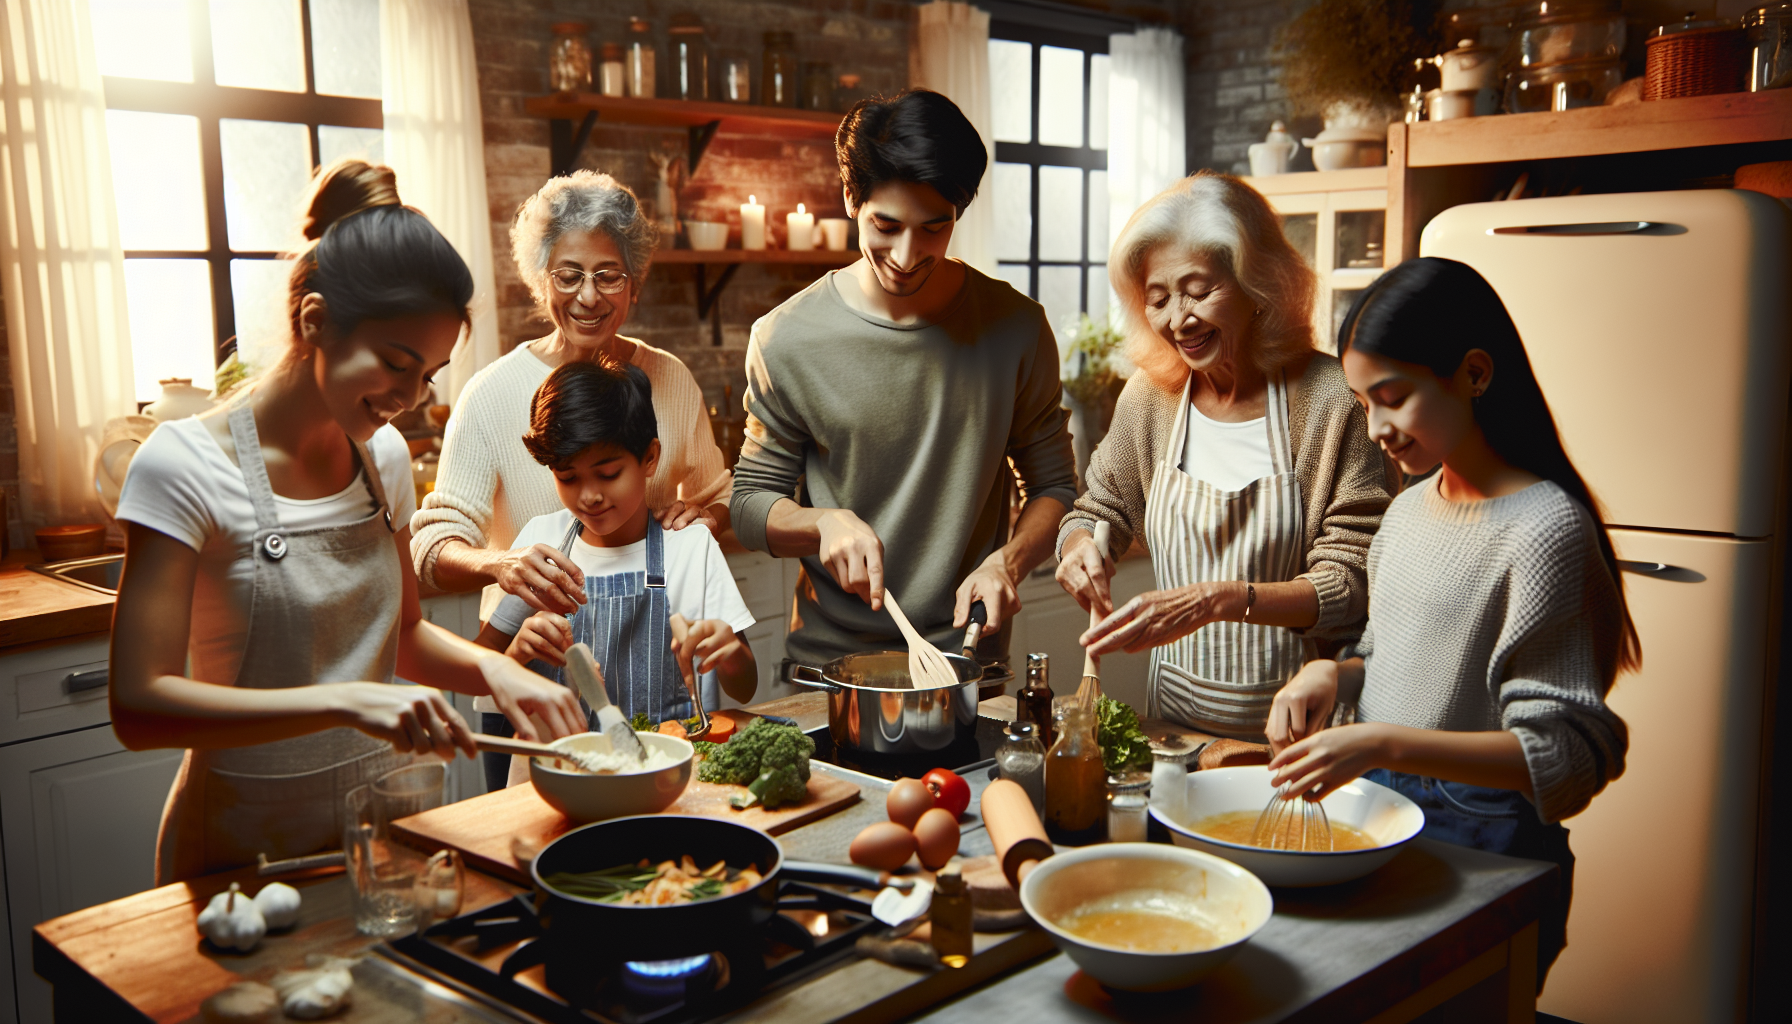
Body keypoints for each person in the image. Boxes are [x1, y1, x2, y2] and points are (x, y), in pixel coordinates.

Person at [109, 161, 584, 884]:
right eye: (396, 363)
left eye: (428, 373)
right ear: (316, 320)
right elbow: (139, 706)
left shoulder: (382, 458)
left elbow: (405, 637)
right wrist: (347, 701)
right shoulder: (183, 466)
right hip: (238, 854)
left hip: (382, 836)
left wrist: (498, 671)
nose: (412, 397)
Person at [1265, 257, 1637, 981]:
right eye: (1361, 402)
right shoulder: (1407, 510)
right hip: (1381, 820)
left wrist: (1385, 746)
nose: (1374, 427)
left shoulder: (1544, 530)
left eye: (1392, 398)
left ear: (1473, 373)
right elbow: (1395, 654)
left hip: (1481, 845)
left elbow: (1565, 752)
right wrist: (1331, 674)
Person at [731, 89, 1077, 671]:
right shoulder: (784, 337)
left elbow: (1055, 489)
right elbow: (748, 504)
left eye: (933, 229)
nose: (907, 255)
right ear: (849, 197)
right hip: (831, 668)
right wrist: (822, 523)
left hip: (968, 661)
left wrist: (1007, 562)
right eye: (885, 226)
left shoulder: (1015, 328)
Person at [410, 170, 733, 790]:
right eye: (568, 274)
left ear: (633, 285)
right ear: (541, 280)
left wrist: (706, 518)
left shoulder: (670, 381)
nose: (589, 295)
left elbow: (721, 498)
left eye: (608, 274)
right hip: (531, 676)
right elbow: (430, 546)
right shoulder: (490, 395)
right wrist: (500, 566)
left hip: (653, 697)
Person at [1058, 172, 1393, 739]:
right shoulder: (1152, 395)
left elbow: (1353, 577)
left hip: (1299, 734)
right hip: (1174, 730)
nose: (1177, 320)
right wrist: (1079, 545)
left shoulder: (1330, 398)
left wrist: (1222, 600)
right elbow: (1100, 506)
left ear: (1258, 284)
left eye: (1199, 289)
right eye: (1158, 299)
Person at [475, 360, 756, 787]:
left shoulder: (689, 548)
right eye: (567, 477)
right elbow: (483, 678)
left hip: (668, 785)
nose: (589, 496)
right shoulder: (541, 544)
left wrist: (729, 651)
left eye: (608, 474)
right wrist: (517, 655)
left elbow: (746, 685)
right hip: (562, 784)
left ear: (649, 458)